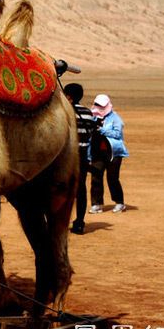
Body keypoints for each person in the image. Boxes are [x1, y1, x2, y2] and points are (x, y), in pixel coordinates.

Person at [88, 94, 129, 214]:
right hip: (97, 153)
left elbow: (117, 133)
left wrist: (101, 130)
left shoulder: (115, 118)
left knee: (112, 178)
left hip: (113, 153)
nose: (98, 107)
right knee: (96, 178)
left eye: (101, 105)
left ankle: (119, 202)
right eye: (96, 104)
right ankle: (96, 204)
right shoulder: (93, 117)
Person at [63, 83, 96, 234]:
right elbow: (90, 133)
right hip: (82, 156)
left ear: (68, 96)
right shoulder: (88, 113)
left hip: (67, 156)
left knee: (62, 189)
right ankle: (80, 222)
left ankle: (60, 222)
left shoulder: (64, 112)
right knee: (80, 190)